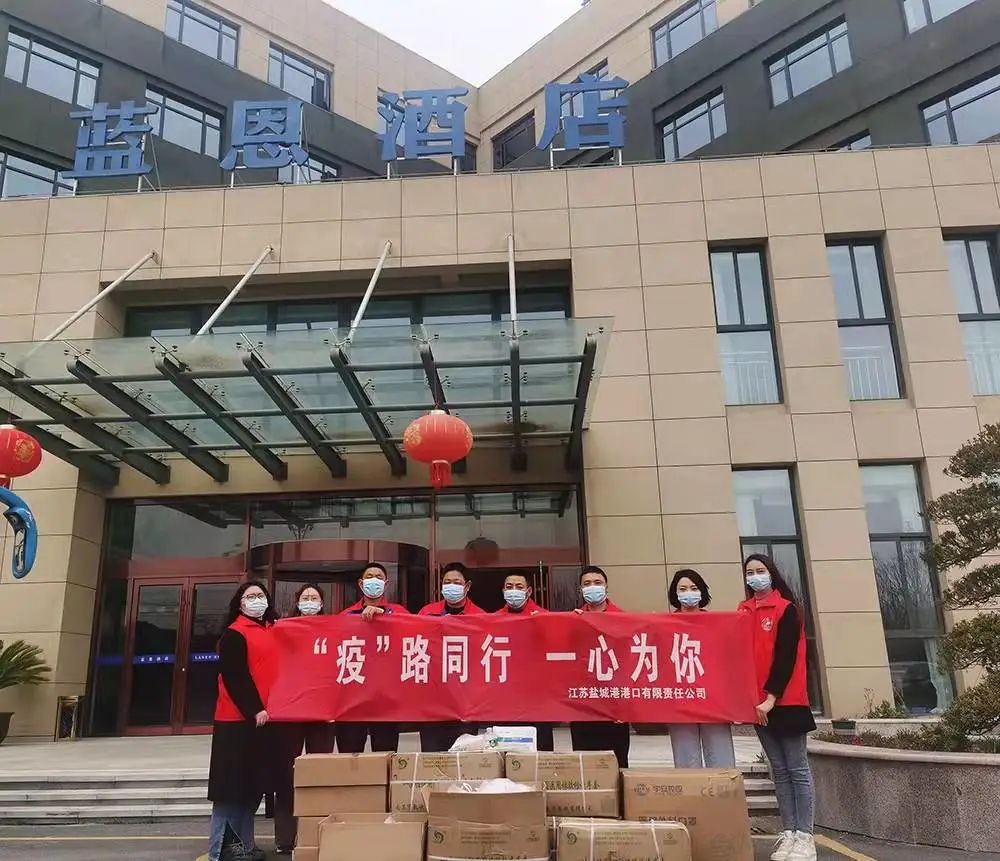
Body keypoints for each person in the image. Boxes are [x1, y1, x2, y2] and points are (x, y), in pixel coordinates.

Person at [739, 554, 817, 861]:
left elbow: (786, 657)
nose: (755, 576)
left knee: (797, 769)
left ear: (771, 574)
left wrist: (772, 697)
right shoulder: (743, 611)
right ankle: (789, 834)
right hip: (759, 706)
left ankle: (806, 837)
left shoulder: (787, 609)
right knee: (780, 772)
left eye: (760, 570)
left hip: (786, 702)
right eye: (750, 572)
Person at [208, 581, 279, 861]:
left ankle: (245, 846)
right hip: (236, 722)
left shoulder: (273, 629)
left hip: (265, 722)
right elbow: (235, 677)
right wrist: (254, 709)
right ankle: (221, 850)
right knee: (230, 790)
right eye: (250, 596)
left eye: (260, 595)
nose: (256, 599)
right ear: (240, 603)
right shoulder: (234, 634)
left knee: (251, 788)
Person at [272, 584, 336, 855]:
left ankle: (318, 833)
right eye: (305, 598)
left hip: (322, 714)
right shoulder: (283, 630)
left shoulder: (333, 630)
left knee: (320, 773)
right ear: (297, 602)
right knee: (287, 776)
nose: (310, 602)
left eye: (315, 598)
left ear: (322, 604)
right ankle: (285, 838)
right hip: (290, 713)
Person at [664, 569, 736, 769]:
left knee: (721, 761)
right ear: (675, 594)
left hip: (714, 702)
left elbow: (731, 663)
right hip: (681, 702)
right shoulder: (664, 625)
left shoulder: (718, 624)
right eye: (682, 589)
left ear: (702, 592)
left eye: (694, 588)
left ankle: (722, 791)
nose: (688, 592)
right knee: (686, 764)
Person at [336, 563, 410, 754]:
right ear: (361, 584)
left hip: (386, 699)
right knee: (349, 757)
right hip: (352, 700)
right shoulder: (345, 616)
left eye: (378, 577)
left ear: (386, 584)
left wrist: (384, 618)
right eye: (369, 577)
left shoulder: (400, 614)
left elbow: (414, 636)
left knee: (385, 757)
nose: (374, 581)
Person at [418, 562, 484, 752]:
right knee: (432, 761)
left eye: (456, 582)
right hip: (432, 705)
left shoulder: (480, 617)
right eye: (447, 582)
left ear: (467, 586)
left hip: (465, 706)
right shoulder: (426, 613)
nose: (451, 586)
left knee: (462, 760)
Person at [569, 566, 630, 768]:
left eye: (597, 583)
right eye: (587, 584)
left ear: (606, 587)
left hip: (614, 706)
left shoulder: (623, 619)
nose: (592, 587)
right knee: (586, 766)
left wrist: (626, 707)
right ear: (580, 589)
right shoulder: (573, 621)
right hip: (583, 705)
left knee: (616, 764)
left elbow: (630, 664)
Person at [492, 572, 553, 751]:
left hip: (537, 703)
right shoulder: (492, 620)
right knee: (504, 754)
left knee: (539, 756)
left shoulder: (546, 619)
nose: (514, 591)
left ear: (529, 591)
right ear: (503, 591)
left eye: (519, 587)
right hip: (503, 701)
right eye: (509, 587)